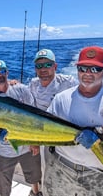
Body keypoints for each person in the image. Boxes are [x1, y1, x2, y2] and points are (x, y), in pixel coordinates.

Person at [42, 46, 103, 196]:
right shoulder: (61, 98)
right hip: (60, 168)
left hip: (97, 174)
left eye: (95, 69)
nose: (88, 73)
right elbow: (42, 129)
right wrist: (7, 133)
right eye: (83, 68)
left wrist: (102, 134)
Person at [0, 59, 43, 196]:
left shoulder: (21, 89)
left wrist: (35, 141)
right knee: (3, 183)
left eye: (3, 71)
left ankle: (35, 192)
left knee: (34, 176)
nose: (0, 75)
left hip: (27, 145)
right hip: (5, 150)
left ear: (7, 73)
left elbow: (35, 116)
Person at [28, 48, 77, 194]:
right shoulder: (32, 84)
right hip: (42, 135)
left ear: (55, 66)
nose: (43, 69)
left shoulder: (68, 82)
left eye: (47, 65)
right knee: (46, 168)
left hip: (63, 133)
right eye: (39, 66)